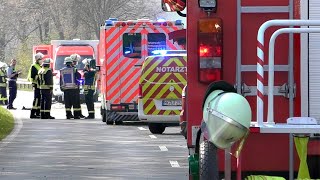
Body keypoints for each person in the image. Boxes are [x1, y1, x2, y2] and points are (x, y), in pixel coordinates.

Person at [28, 52, 43, 118]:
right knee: (36, 99)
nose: (41, 60)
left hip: (40, 85)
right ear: (37, 60)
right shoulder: (34, 66)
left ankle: (37, 113)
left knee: (39, 99)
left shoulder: (40, 66)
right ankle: (32, 113)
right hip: (36, 85)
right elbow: (33, 76)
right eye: (40, 59)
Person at [70, 53, 85, 119]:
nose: (76, 63)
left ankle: (79, 114)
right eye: (76, 61)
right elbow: (78, 76)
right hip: (74, 87)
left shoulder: (72, 68)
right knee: (76, 102)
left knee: (77, 101)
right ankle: (77, 114)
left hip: (73, 87)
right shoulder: (73, 68)